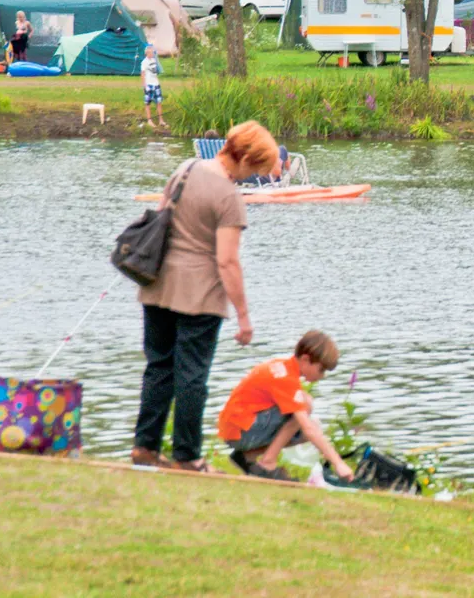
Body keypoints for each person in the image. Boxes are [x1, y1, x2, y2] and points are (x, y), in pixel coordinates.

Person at [132, 121, 280, 472]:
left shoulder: (185, 169)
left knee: (158, 367)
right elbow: (227, 261)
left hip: (157, 283)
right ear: (243, 157)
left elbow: (161, 217)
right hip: (200, 295)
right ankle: (187, 455)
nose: (250, 176)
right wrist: (244, 316)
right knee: (192, 376)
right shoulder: (229, 197)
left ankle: (145, 447)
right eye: (253, 168)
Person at [216, 330, 356, 483]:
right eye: (321, 370)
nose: (322, 376)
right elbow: (308, 429)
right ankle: (267, 463)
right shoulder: (286, 379)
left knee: (306, 411)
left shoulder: (282, 367)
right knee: (306, 411)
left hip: (235, 430)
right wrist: (338, 463)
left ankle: (246, 456)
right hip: (240, 432)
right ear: (305, 359)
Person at [140, 45, 165, 129]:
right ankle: (149, 120)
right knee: (148, 103)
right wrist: (144, 86)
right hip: (149, 84)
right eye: (152, 52)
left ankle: (161, 120)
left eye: (153, 52)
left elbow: (155, 73)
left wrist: (158, 81)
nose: (153, 54)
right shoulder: (144, 62)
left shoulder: (154, 60)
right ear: (147, 53)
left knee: (159, 102)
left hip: (156, 84)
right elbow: (142, 74)